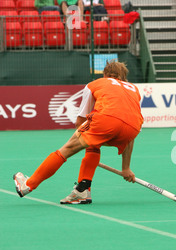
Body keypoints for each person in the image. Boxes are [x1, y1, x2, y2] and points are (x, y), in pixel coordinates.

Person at [13, 61, 143, 204]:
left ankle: (28, 185)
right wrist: (126, 168)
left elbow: (81, 119)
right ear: (124, 76)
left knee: (66, 149)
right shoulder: (134, 89)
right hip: (133, 128)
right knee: (93, 144)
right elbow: (129, 132)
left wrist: (79, 140)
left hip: (106, 121)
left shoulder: (95, 84)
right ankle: (82, 191)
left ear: (105, 74)